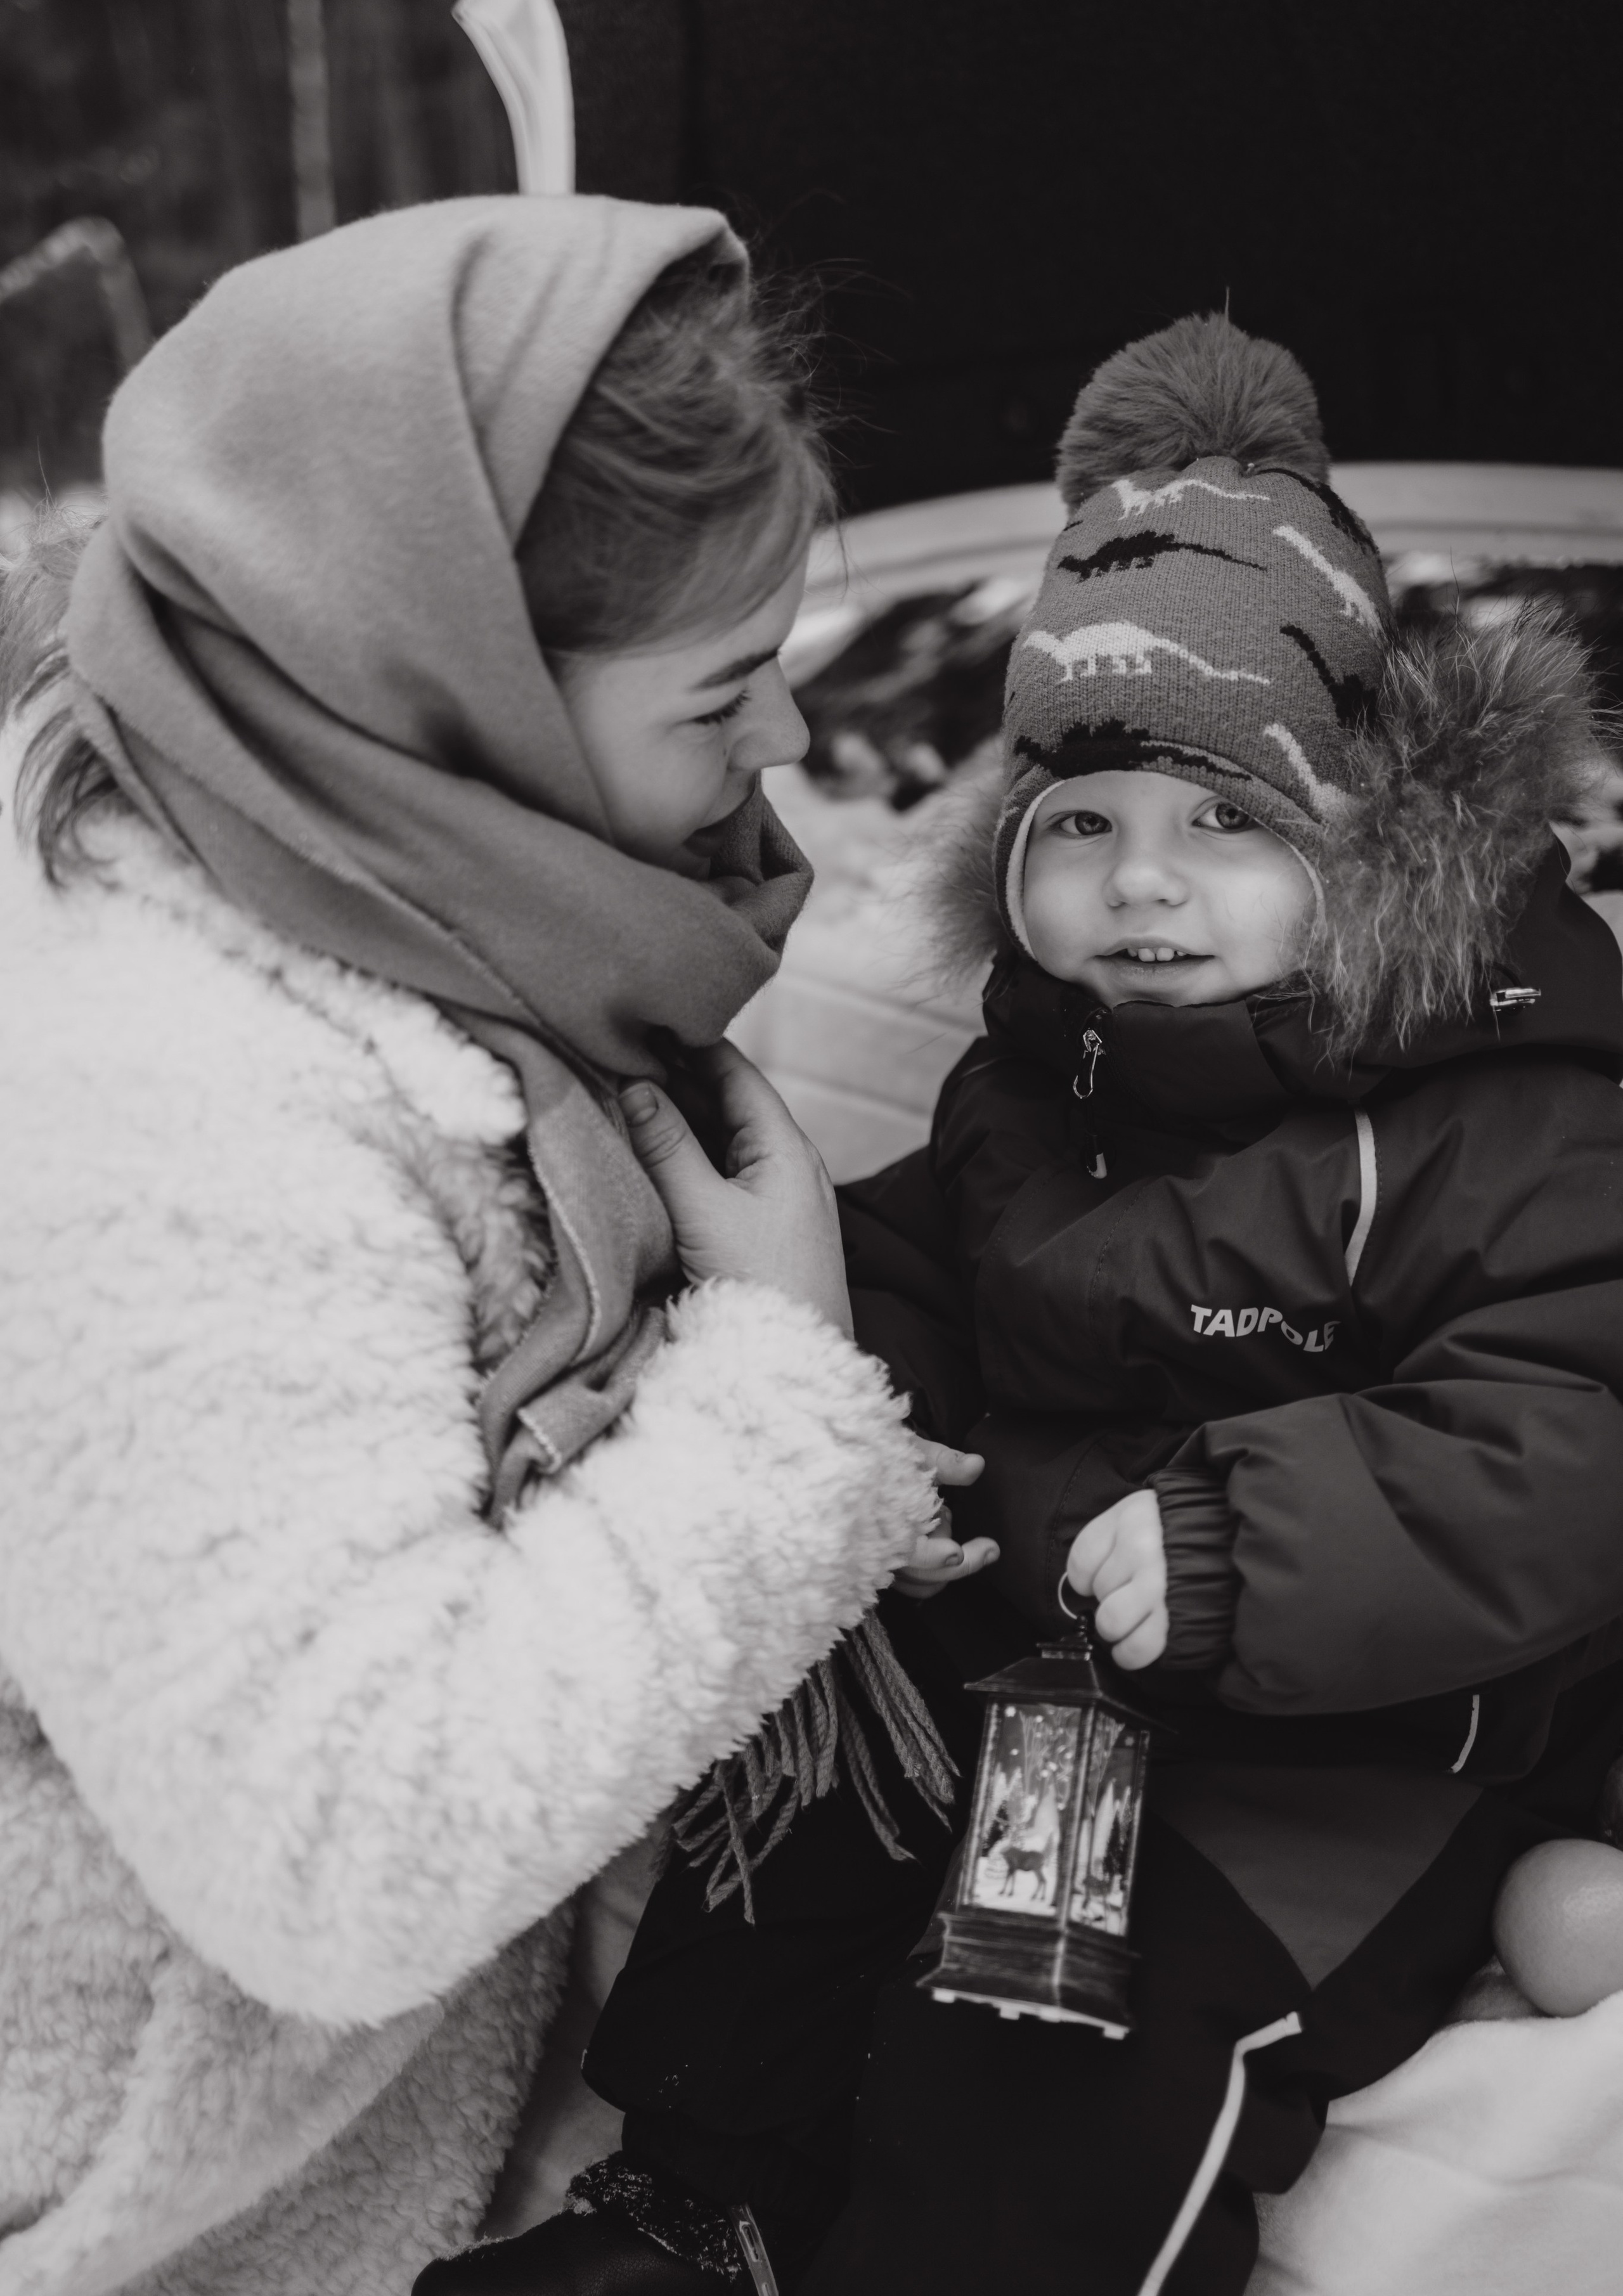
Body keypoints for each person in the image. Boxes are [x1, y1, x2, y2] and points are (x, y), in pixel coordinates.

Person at [464, 316, 1623, 2296]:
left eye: (1228, 822)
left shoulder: (1504, 1103)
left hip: (1341, 1740)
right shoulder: (1042, 1075)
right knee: (801, 1819)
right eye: (1082, 823)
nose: (1138, 885)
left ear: (1370, 835)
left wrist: (1245, 1544)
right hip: (1039, 1668)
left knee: (1058, 2052)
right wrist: (861, 1410)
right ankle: (693, 2203)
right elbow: (932, 1266)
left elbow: (1564, 1429)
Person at [0, 193, 967, 2296]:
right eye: (724, 696)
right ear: (446, 688)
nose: (785, 753)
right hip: (191, 2220)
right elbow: (344, 1857)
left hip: (431, 2119)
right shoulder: (156, 1128)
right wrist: (780, 1394)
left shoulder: (390, 888)